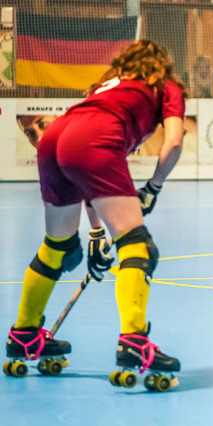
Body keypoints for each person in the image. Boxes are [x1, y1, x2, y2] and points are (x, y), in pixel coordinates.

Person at [4, 40, 187, 388]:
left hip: (55, 137)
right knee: (137, 246)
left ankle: (23, 335)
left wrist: (97, 235)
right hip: (92, 138)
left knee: (58, 247)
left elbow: (86, 168)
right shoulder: (164, 86)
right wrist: (153, 187)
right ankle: (134, 343)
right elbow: (174, 141)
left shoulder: (106, 86)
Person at [17, 114, 114, 282]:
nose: (39, 138)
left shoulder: (84, 135)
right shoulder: (49, 160)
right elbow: (86, 185)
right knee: (61, 251)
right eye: (30, 134)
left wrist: (97, 234)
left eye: (42, 124)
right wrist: (96, 233)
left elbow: (89, 183)